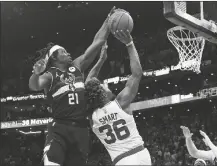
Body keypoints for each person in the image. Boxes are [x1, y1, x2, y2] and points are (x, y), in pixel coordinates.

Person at [29, 7, 116, 166]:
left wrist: (108, 21)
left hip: (81, 129)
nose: (68, 53)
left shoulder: (77, 66)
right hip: (59, 128)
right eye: (63, 51)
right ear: (55, 58)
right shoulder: (49, 75)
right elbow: (35, 86)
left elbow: (97, 42)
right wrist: (35, 73)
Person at [85, 29, 151, 165]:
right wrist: (130, 44)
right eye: (104, 86)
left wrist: (102, 60)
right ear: (102, 92)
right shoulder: (121, 102)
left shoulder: (92, 118)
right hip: (140, 155)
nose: (106, 86)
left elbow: (89, 83)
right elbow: (137, 74)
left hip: (121, 161)